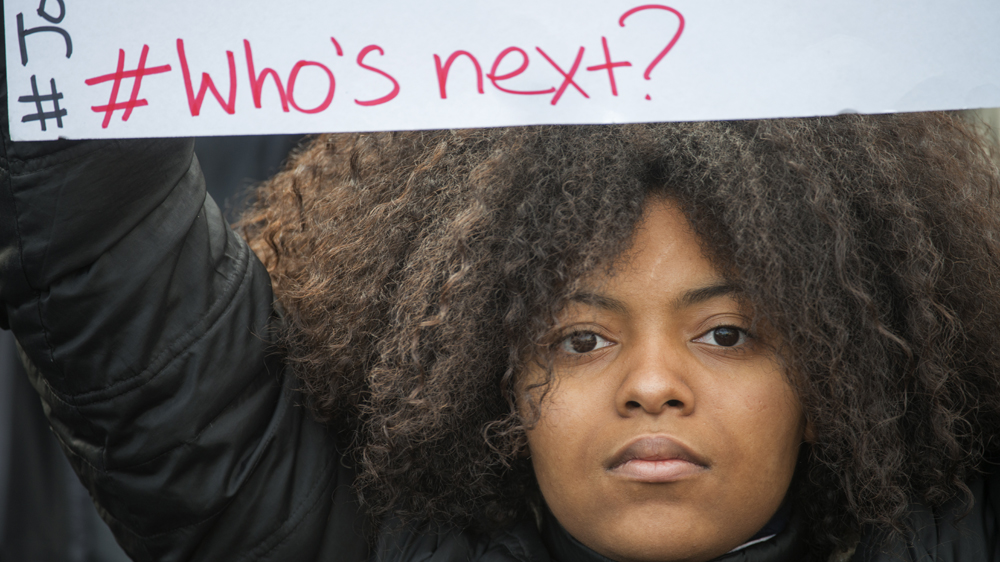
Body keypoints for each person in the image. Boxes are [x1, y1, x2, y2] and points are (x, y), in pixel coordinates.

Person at [2, 64, 999, 561]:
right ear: (490, 378)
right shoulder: (344, 538)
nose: (652, 384)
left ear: (828, 378)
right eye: (580, 338)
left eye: (725, 333)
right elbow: (109, 264)